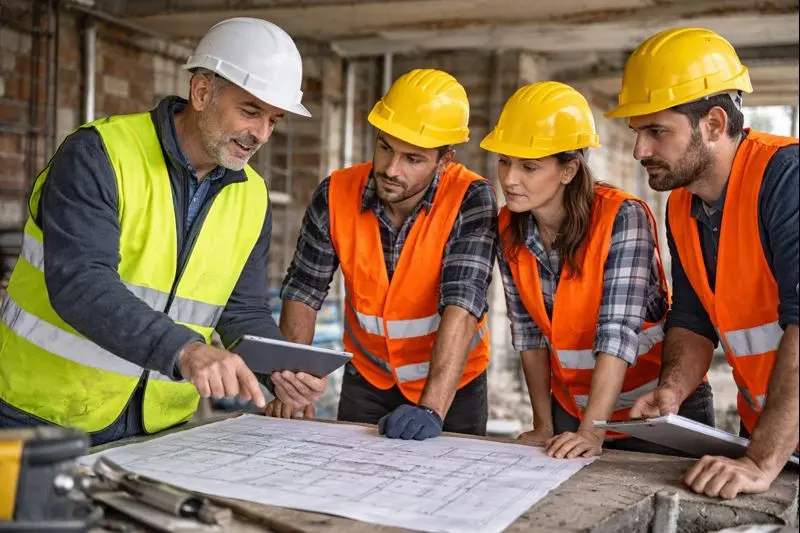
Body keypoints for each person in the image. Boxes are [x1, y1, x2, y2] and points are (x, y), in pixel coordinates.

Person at [0, 18, 310, 445]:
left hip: (158, 428)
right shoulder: (99, 154)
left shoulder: (252, 196)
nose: (260, 134)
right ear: (202, 93)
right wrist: (185, 352)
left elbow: (243, 311)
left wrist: (280, 369)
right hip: (41, 414)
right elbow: (81, 284)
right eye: (250, 111)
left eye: (274, 120)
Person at [605, 27, 799, 499]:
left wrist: (759, 461)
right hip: (777, 434)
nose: (639, 151)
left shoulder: (786, 179)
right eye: (637, 132)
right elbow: (693, 319)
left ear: (713, 123)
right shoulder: (681, 205)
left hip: (772, 445)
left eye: (656, 131)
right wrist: (672, 391)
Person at [264, 69, 497, 441]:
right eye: (385, 147)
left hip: (452, 386)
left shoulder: (470, 198)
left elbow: (463, 303)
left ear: (444, 160)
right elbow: (303, 292)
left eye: (413, 159)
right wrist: (293, 383)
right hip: (368, 379)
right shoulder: (335, 193)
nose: (391, 169)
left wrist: (431, 408)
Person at [484, 81, 714, 458]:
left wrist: (592, 432)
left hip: (655, 410)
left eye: (529, 166)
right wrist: (544, 425)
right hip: (575, 410)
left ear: (569, 170)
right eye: (504, 161)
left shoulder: (622, 218)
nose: (509, 178)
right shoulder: (508, 226)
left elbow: (616, 333)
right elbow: (527, 334)